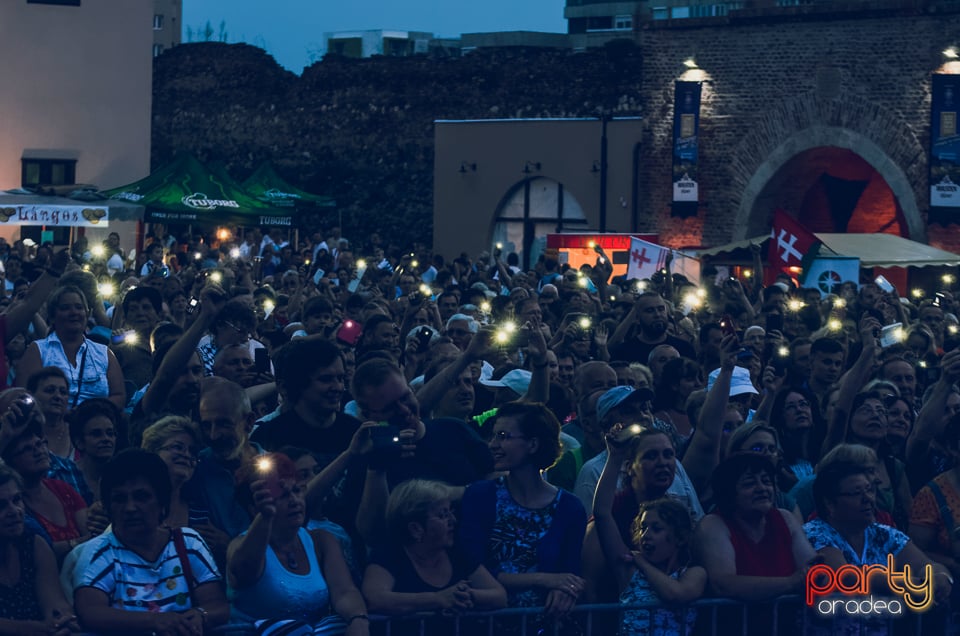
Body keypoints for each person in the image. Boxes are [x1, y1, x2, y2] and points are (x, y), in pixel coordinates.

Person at [73, 449, 229, 634]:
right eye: (119, 499)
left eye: (142, 497)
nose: (130, 508)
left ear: (162, 501)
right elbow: (90, 612)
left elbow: (218, 605)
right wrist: (155, 621)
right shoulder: (99, 552)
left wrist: (200, 615)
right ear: (108, 507)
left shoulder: (188, 543)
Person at [458, 402, 586, 622]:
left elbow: (570, 574)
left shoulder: (569, 508)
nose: (492, 444)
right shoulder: (480, 496)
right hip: (484, 625)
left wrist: (564, 590)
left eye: (503, 436)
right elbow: (469, 566)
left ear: (533, 444)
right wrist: (544, 580)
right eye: (493, 436)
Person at [229, 453, 370, 635]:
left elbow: (344, 591)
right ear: (254, 508)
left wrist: (357, 619)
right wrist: (265, 516)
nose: (294, 500)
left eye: (296, 491)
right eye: (282, 496)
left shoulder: (321, 540)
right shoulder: (240, 545)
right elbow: (244, 569)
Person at [806, 462, 951, 634]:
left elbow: (925, 565)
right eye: (856, 493)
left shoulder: (883, 533)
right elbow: (845, 576)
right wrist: (906, 584)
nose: (868, 498)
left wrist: (940, 577)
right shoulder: (813, 533)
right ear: (829, 504)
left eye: (869, 490)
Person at [361, 479, 506, 634]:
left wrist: (464, 596)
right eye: (443, 515)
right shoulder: (389, 555)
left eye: (451, 512)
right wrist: (437, 599)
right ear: (416, 529)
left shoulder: (457, 552)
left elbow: (499, 596)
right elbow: (374, 599)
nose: (453, 521)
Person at [0, 463, 80, 635]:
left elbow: (55, 604)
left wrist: (63, 621)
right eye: (1, 506)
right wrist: (42, 629)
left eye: (16, 500)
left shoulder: (33, 544)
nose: (14, 511)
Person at [17, 285, 125, 409]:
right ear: (52, 317)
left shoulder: (104, 353)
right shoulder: (38, 350)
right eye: (65, 308)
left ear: (87, 313)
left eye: (79, 307)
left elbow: (119, 396)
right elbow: (25, 394)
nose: (74, 313)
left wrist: (89, 413)